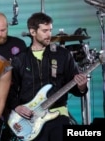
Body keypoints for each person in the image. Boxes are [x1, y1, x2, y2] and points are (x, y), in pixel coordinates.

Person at [7, 12, 88, 141]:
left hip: (58, 115)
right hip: (30, 118)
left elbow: (75, 88)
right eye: (44, 31)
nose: (49, 34)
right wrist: (17, 106)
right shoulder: (20, 59)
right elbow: (10, 90)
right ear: (32, 32)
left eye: (50, 30)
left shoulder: (63, 55)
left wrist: (82, 86)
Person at [0, 12, 27, 141]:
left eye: (3, 30)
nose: (0, 34)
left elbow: (27, 74)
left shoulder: (19, 44)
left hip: (17, 97)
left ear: (8, 27)